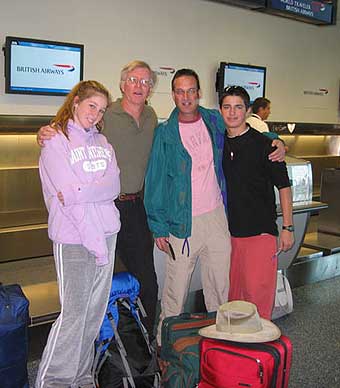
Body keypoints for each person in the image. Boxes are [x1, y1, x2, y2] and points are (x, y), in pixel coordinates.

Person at [144, 69, 285, 345]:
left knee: (220, 289)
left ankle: (218, 347)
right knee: (176, 291)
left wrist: (275, 139)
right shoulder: (165, 134)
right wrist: (158, 226)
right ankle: (165, 349)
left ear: (199, 93)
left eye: (191, 90)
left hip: (217, 218)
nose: (186, 97)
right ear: (173, 95)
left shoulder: (212, 120)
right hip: (182, 223)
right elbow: (156, 182)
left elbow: (244, 128)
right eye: (180, 91)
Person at [37, 60, 159, 337]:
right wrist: (43, 133)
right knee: (96, 290)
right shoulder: (105, 114)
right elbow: (69, 133)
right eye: (133, 80)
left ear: (151, 89)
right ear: (122, 84)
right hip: (101, 208)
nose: (139, 86)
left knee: (147, 283)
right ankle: (98, 354)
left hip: (134, 207)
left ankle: (144, 352)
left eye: (145, 82)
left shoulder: (152, 117)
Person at [36, 80, 120, 388]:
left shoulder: (104, 144)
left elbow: (114, 187)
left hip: (108, 234)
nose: (96, 114)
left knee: (94, 313)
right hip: (74, 238)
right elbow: (66, 198)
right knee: (73, 314)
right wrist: (94, 241)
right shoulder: (55, 142)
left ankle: (82, 377)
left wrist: (83, 191)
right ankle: (53, 381)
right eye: (91, 106)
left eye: (101, 109)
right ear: (75, 104)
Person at [219, 86, 294, 320]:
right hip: (230, 235)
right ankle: (237, 354)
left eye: (238, 107)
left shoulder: (266, 146)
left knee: (258, 298)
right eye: (227, 107)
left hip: (260, 233)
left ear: (248, 110)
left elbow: (284, 186)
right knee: (235, 298)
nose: (232, 113)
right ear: (220, 110)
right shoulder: (219, 144)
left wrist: (288, 228)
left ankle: (259, 353)